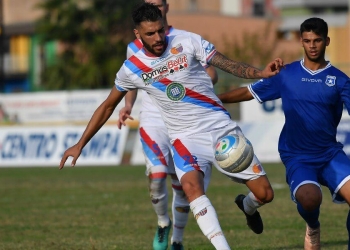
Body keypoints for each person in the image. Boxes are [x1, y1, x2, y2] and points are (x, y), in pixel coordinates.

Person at [59, 3, 283, 249]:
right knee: (191, 188)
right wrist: (80, 144)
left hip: (220, 128)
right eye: (150, 34)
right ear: (137, 35)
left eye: (160, 30)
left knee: (265, 194)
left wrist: (260, 72)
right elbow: (107, 106)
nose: (158, 38)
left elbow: (227, 64)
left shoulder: (187, 41)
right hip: (184, 137)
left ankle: (248, 205)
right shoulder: (131, 69)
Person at [218, 17, 350, 250]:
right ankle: (313, 227)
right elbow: (249, 92)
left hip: (330, 154)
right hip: (298, 156)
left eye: (317, 40)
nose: (312, 45)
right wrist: (214, 99)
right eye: (307, 40)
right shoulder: (286, 74)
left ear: (327, 41)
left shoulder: (340, 80)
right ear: (301, 41)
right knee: (310, 199)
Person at [119, 0, 218, 249]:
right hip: (154, 118)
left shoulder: (184, 40)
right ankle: (163, 222)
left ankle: (177, 241)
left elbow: (211, 71)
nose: (156, 7)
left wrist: (199, 85)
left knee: (182, 186)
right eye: (150, 3)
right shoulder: (134, 47)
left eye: (159, 3)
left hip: (185, 119)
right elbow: (131, 80)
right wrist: (128, 105)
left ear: (167, 6)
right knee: (157, 174)